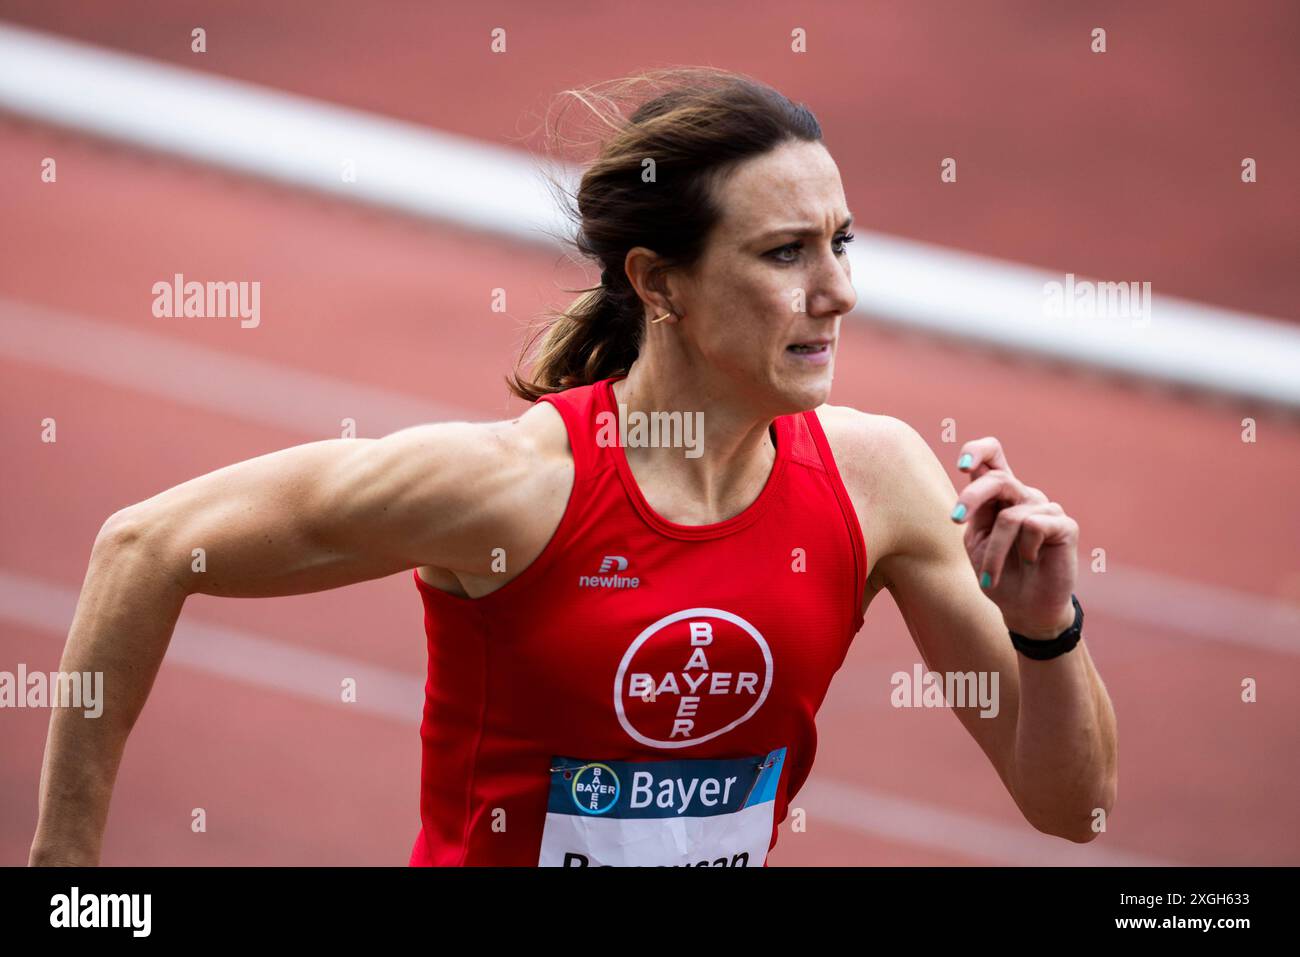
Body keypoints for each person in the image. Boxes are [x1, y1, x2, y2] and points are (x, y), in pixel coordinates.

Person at [29, 67, 1116, 868]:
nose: (837, 291)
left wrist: (1045, 626)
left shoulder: (877, 480)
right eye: (786, 253)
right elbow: (146, 545)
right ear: (659, 283)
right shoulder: (517, 491)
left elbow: (1071, 808)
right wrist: (67, 881)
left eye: (843, 242)